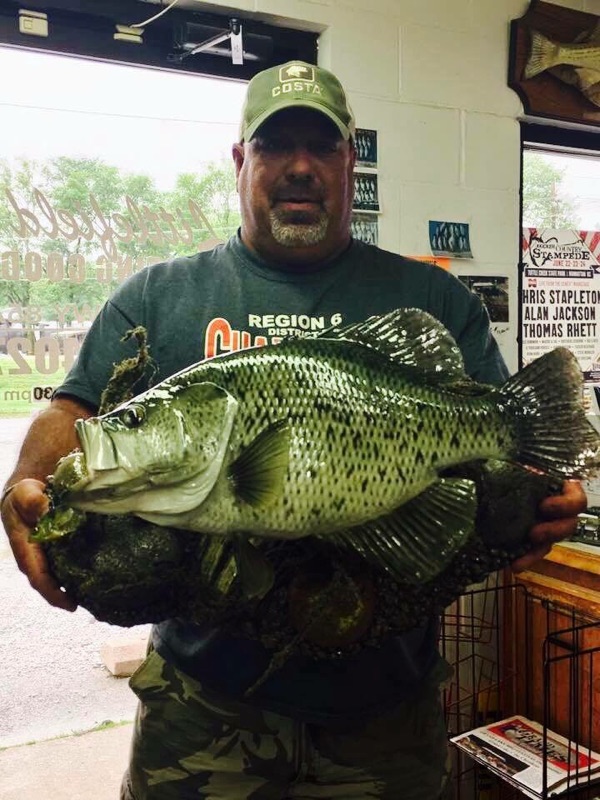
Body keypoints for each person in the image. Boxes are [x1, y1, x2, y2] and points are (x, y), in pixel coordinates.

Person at [1, 60, 588, 800]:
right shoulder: (158, 294)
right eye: (277, 147)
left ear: (351, 161)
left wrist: (543, 490)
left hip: (386, 708)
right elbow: (76, 412)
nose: (301, 167)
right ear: (242, 160)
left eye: (323, 146)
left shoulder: (431, 295)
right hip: (203, 703)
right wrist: (26, 479)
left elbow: (512, 443)